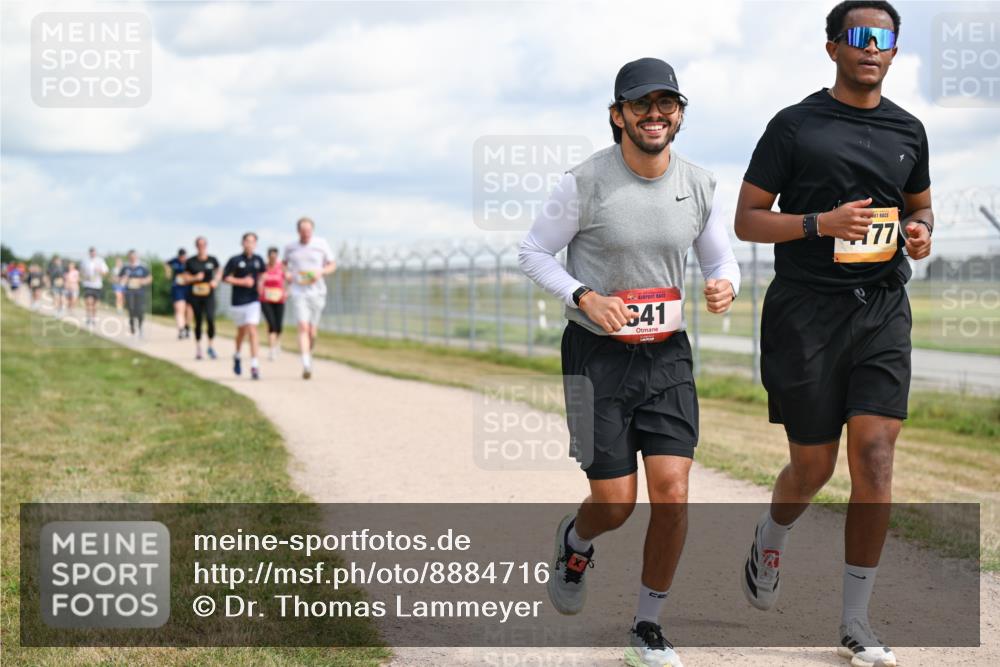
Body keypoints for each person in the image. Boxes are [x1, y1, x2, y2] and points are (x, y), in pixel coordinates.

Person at [518, 57, 740, 667]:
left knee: (673, 495)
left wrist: (726, 283)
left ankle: (647, 626)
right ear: (618, 115)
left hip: (667, 356)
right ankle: (576, 540)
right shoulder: (585, 182)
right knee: (616, 502)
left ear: (680, 115)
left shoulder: (698, 184)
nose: (654, 114)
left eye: (667, 103)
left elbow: (720, 259)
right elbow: (533, 252)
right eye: (641, 104)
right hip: (597, 356)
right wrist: (584, 296)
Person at [733, 3, 933, 666]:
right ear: (833, 48)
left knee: (874, 455)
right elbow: (748, 219)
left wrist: (919, 231)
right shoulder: (795, 126)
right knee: (813, 467)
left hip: (882, 308)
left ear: (894, 51)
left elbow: (921, 206)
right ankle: (772, 532)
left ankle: (856, 620)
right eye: (859, 36)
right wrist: (819, 223)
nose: (872, 47)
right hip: (805, 313)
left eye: (884, 38)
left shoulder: (909, 129)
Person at [283, 217, 336, 379]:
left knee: (312, 331)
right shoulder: (290, 247)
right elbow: (284, 265)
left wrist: (321, 272)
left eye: (308, 230)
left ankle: (309, 352)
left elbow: (332, 264)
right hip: (298, 292)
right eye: (303, 230)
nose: (306, 233)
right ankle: (306, 364)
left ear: (312, 230)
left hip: (317, 292)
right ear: (298, 231)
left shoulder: (321, 244)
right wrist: (287, 275)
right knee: (303, 327)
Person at [223, 233, 266, 380]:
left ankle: (254, 366)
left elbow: (262, 275)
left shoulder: (259, 260)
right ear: (242, 243)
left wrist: (260, 284)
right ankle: (237, 354)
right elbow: (225, 277)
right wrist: (242, 282)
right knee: (241, 332)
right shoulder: (235, 260)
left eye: (253, 242)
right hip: (238, 302)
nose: (250, 244)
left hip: (253, 300)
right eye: (247, 241)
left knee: (252, 330)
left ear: (256, 244)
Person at [182, 237, 221, 360]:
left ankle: (210, 346)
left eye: (203, 244)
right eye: (199, 244)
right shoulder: (191, 262)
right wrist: (195, 278)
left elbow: (219, 271)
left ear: (206, 245)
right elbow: (184, 278)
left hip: (209, 294)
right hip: (195, 295)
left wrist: (215, 281)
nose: (201, 247)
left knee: (210, 318)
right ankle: (199, 348)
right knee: (198, 320)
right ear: (196, 246)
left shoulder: (212, 260)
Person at [259, 246, 287, 361]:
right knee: (271, 324)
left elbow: (289, 280)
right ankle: (272, 349)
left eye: (275, 256)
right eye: (271, 256)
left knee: (278, 326)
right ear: (268, 256)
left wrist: (287, 292)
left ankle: (277, 342)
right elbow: (259, 282)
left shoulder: (281, 267)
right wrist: (261, 283)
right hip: (266, 300)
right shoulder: (263, 268)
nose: (273, 258)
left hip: (279, 299)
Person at [118, 250, 152, 337]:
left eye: (134, 256)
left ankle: (140, 327)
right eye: (131, 257)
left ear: (136, 257)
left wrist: (144, 281)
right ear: (128, 257)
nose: (132, 258)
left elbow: (149, 278)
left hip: (140, 292)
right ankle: (132, 325)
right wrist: (123, 280)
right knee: (131, 309)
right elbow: (119, 278)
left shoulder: (142, 267)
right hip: (129, 291)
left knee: (140, 310)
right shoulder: (125, 267)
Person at [165, 248, 192, 339]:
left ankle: (187, 326)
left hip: (188, 287)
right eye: (180, 257)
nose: (182, 258)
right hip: (177, 287)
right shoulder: (174, 261)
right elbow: (166, 263)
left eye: (183, 257)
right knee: (179, 309)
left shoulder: (190, 262)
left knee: (189, 309)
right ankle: (181, 330)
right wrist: (168, 273)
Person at [80, 247, 108, 328]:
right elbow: (81, 272)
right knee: (88, 302)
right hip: (87, 284)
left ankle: (93, 317)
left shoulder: (100, 261)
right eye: (91, 252)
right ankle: (88, 317)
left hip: (97, 285)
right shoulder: (85, 261)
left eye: (94, 252)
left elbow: (105, 272)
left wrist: (100, 271)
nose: (92, 253)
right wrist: (84, 276)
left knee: (95, 304)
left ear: (96, 253)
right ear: (89, 253)